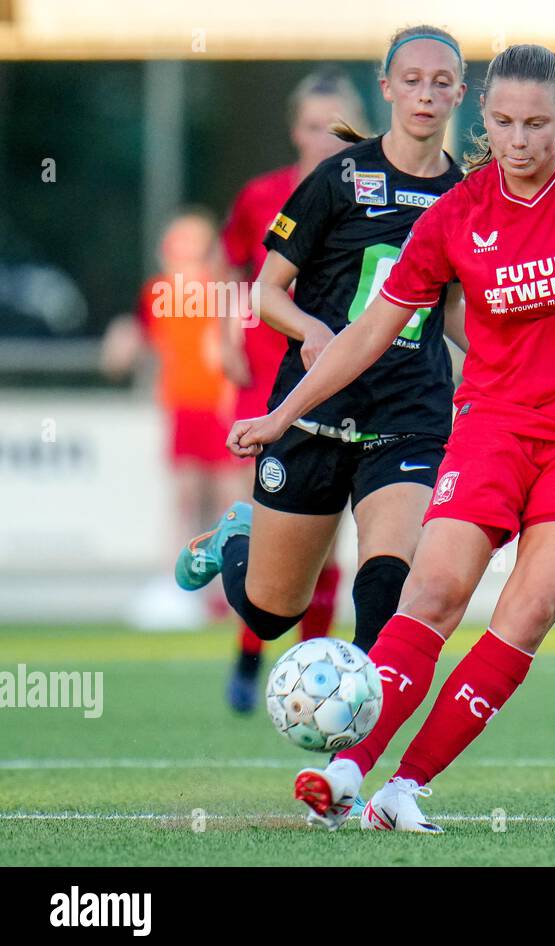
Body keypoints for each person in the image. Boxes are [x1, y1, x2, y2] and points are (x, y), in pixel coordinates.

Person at [227, 43, 555, 832]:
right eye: (504, 122)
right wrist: (280, 415)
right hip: (492, 427)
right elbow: (367, 332)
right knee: (434, 592)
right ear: (484, 118)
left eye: (536, 124)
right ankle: (346, 769)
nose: (518, 141)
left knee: (528, 609)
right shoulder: (456, 216)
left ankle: (405, 788)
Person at [175, 26, 471, 793]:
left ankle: (348, 767)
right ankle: (238, 538)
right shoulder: (340, 178)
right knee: (274, 613)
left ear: (459, 95)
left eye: (443, 83)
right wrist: (311, 329)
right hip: (310, 414)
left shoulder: (467, 194)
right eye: (413, 80)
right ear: (388, 86)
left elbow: (462, 317)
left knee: (389, 585)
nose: (427, 95)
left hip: (410, 414)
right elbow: (268, 290)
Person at [217, 71, 367, 713]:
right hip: (270, 377)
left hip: (346, 382)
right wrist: (223, 337)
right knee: (276, 534)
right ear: (293, 129)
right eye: (313, 126)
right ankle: (250, 654)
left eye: (338, 128)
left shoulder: (378, 193)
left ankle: (312, 668)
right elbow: (236, 270)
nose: (325, 140)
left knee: (326, 539)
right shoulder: (265, 196)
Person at [103, 209, 245, 617]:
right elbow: (139, 335)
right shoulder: (157, 294)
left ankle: (232, 589)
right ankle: (181, 585)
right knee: (185, 498)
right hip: (183, 406)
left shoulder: (223, 292)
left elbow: (237, 338)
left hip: (222, 409)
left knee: (229, 498)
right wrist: (123, 342)